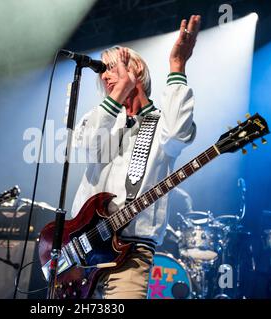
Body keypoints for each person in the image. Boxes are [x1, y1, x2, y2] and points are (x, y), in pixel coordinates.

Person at [71, 15, 201, 299]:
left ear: (136, 68)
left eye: (110, 68)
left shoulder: (161, 123)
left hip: (130, 254)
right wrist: (118, 92)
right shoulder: (100, 118)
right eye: (101, 71)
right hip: (82, 252)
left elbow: (179, 131)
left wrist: (177, 66)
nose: (103, 75)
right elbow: (90, 147)